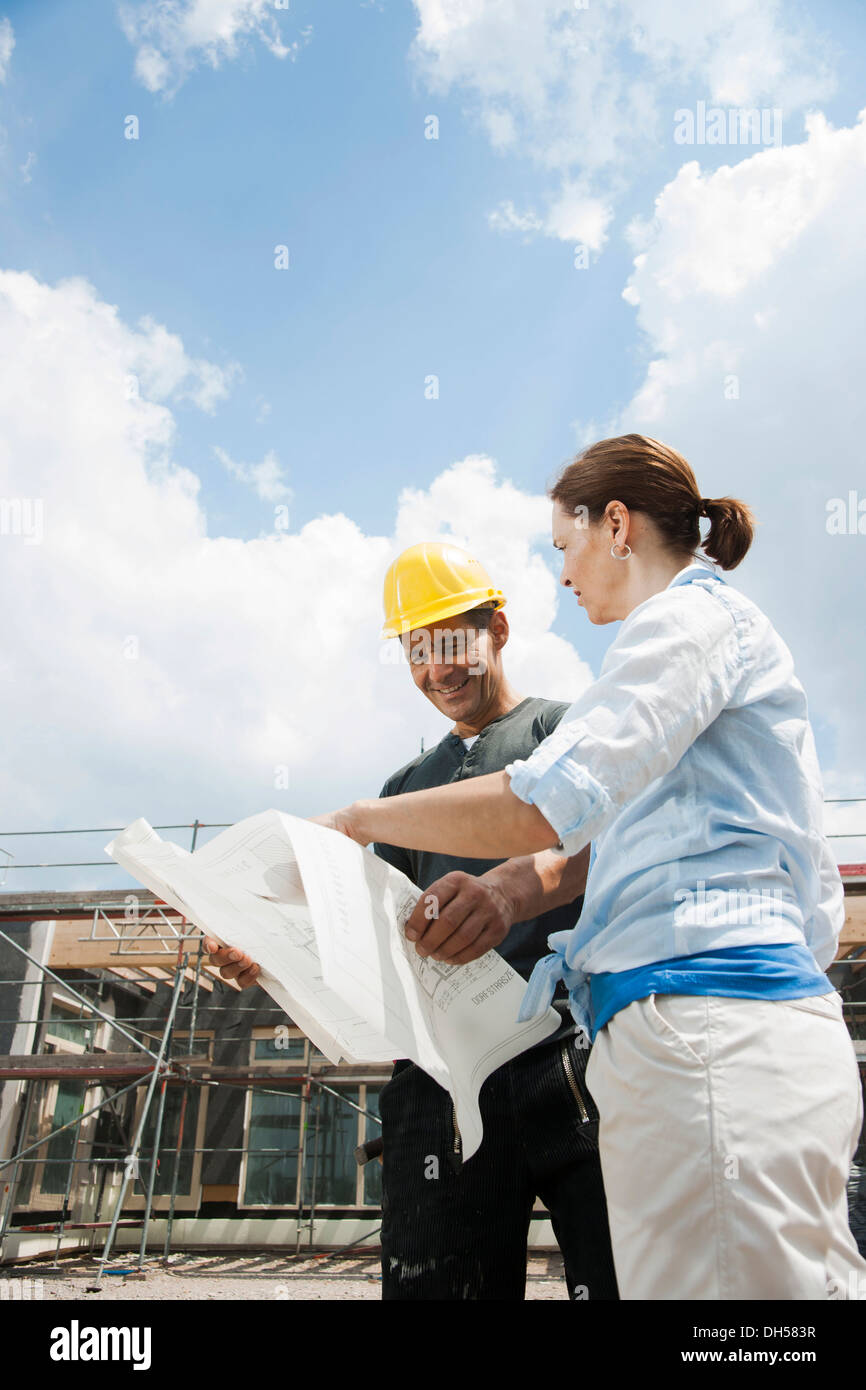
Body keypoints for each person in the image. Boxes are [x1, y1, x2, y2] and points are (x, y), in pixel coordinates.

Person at [312, 435, 866, 1302]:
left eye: (563, 546)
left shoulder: (689, 625)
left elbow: (546, 807)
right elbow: (572, 857)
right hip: (667, 1035)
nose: (563, 577)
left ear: (615, 525)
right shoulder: (665, 653)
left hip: (709, 1023)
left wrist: (354, 820)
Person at [207, 541, 618, 1301]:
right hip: (441, 1076)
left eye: (452, 642)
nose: (438, 671)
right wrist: (260, 945)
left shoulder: (566, 733)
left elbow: (609, 846)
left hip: (573, 1053)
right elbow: (356, 922)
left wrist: (512, 888)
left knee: (624, 1273)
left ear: (498, 628)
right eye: (417, 653)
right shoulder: (406, 788)